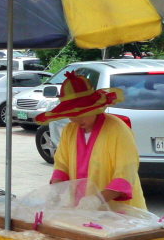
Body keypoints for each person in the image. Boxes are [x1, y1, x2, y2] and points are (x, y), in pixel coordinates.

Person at [35, 71, 146, 210]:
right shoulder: (70, 130)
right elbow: (62, 164)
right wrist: (56, 189)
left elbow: (125, 173)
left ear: (94, 107)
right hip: (80, 209)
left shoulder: (118, 129)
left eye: (82, 113)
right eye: (72, 115)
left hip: (118, 213)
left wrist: (97, 200)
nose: (76, 119)